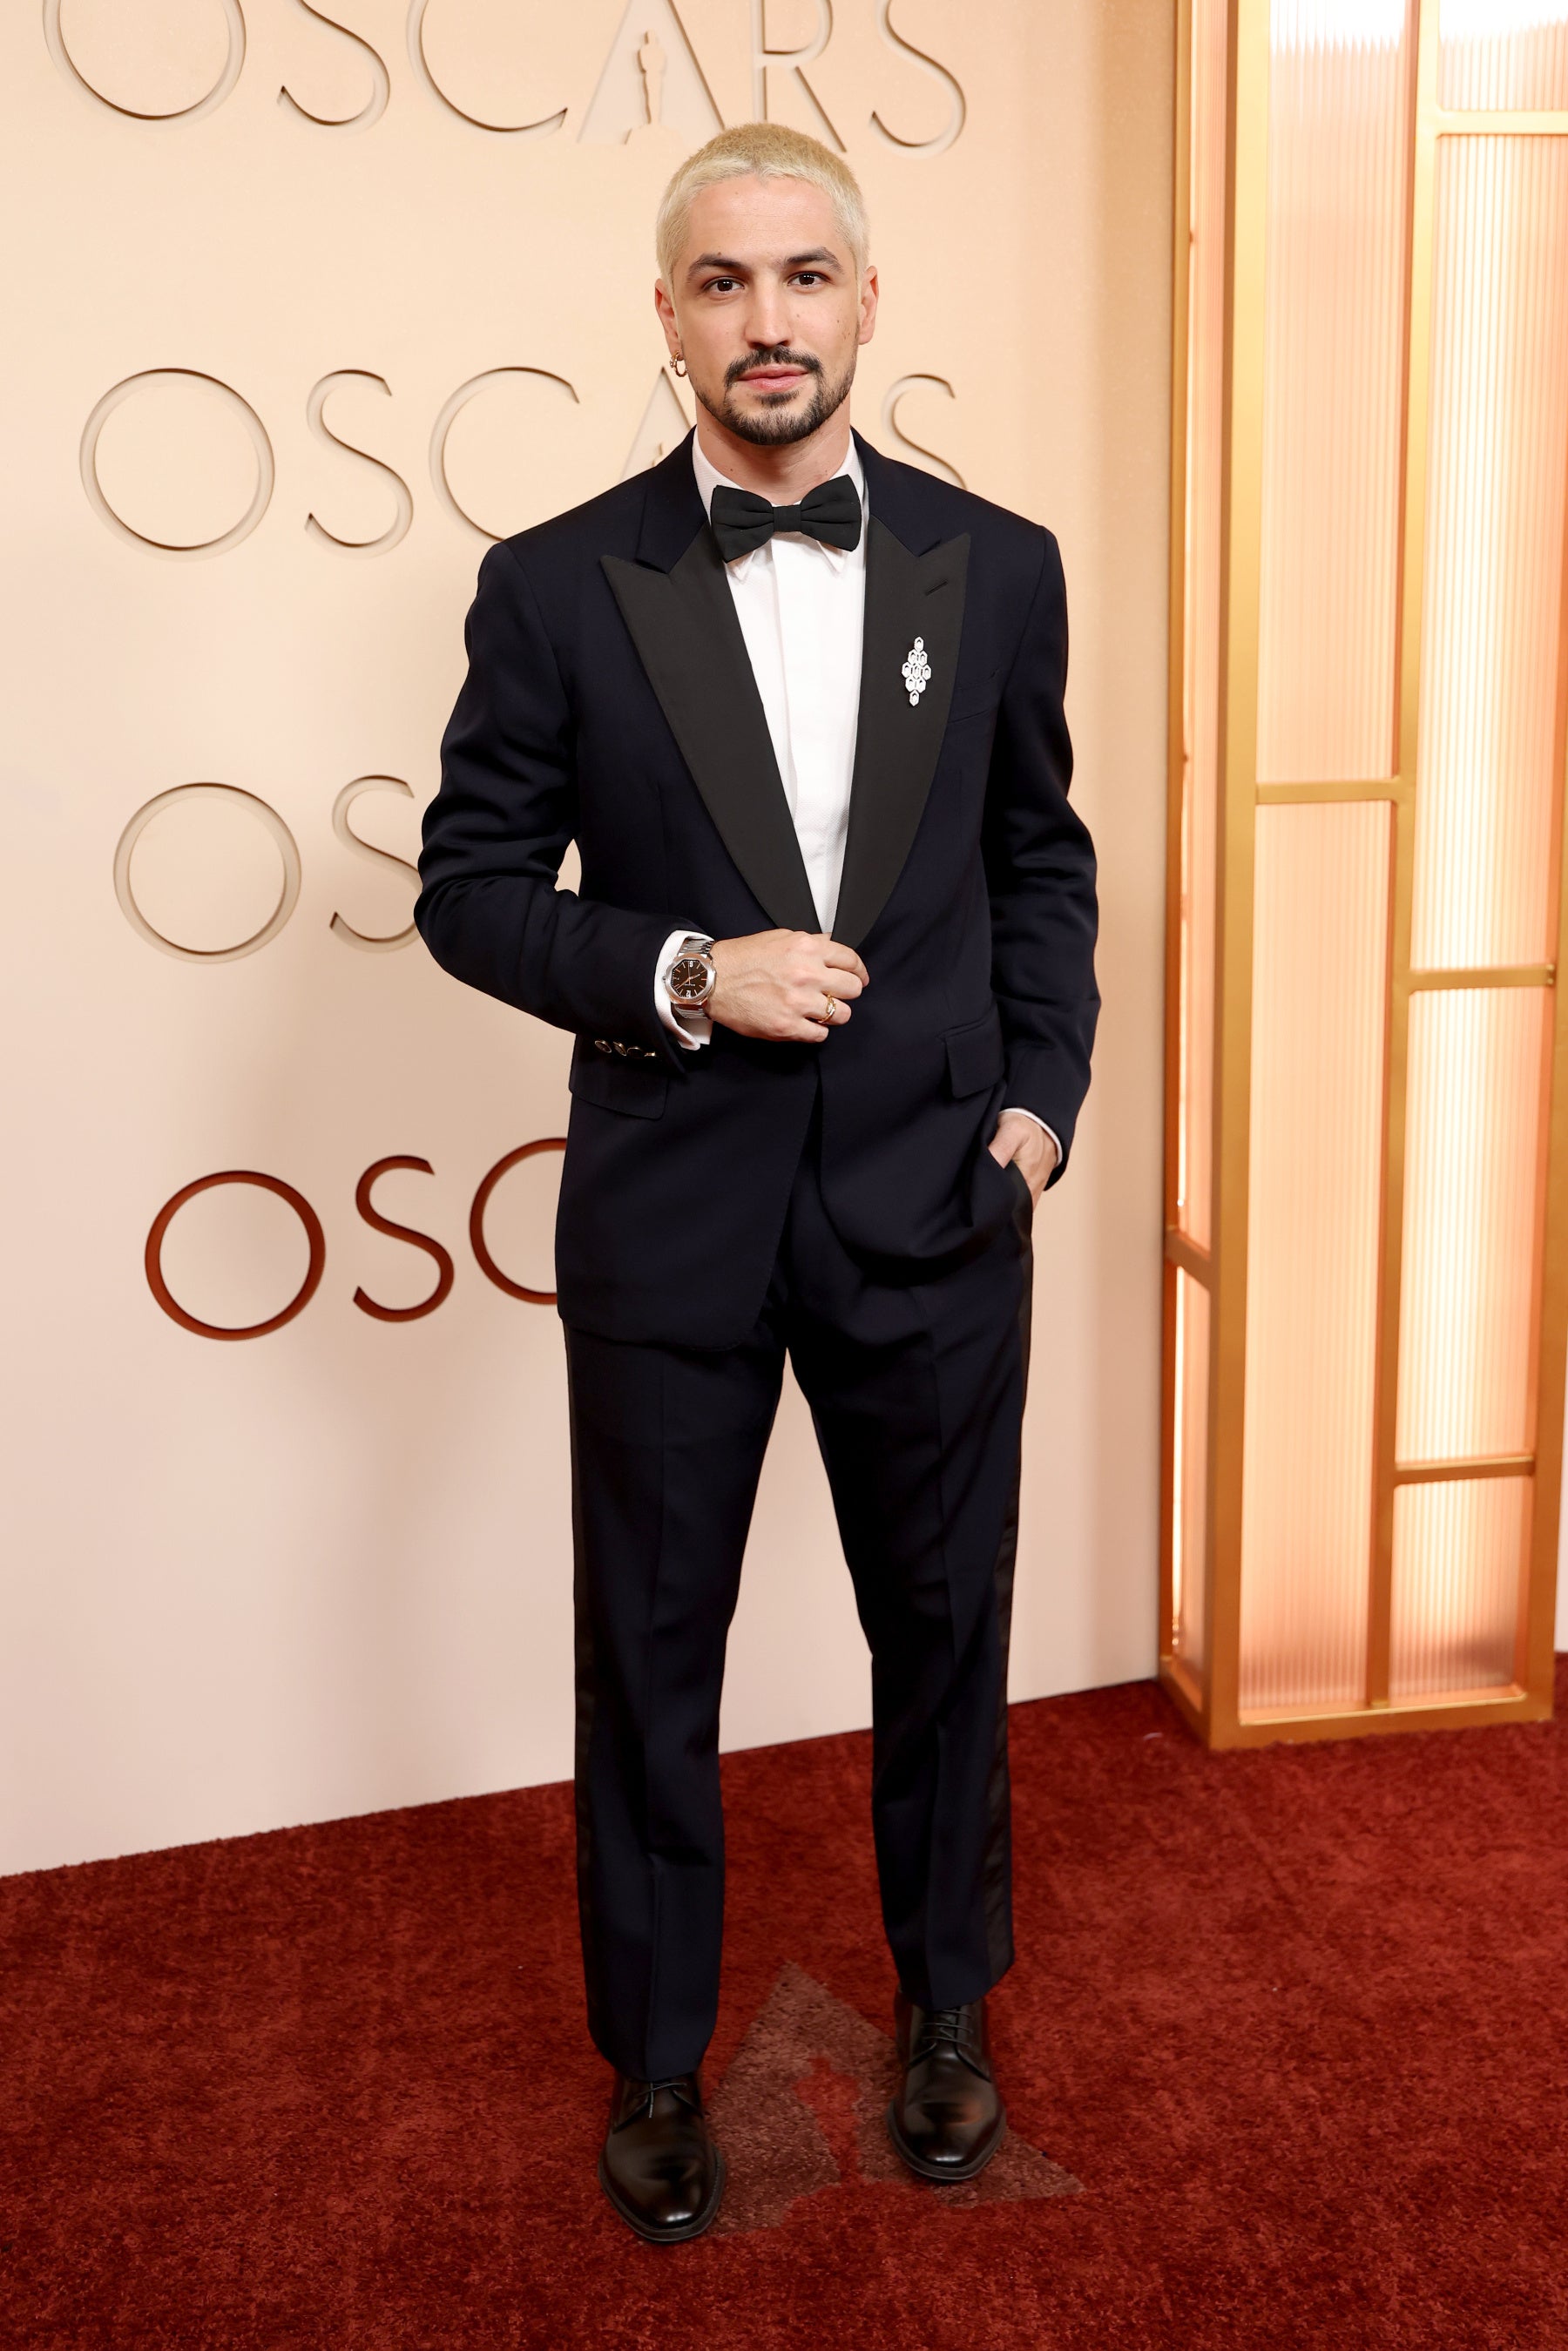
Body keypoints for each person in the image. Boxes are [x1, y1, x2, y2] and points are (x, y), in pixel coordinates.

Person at [416, 122, 1098, 2244]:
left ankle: (947, 2010)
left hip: (939, 1206)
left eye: (805, 277)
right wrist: (687, 971)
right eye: (724, 282)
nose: (768, 320)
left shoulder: (1002, 565)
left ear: (867, 300)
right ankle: (655, 2059)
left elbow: (1040, 857)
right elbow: (468, 891)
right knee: (649, 1653)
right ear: (668, 312)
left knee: (948, 1635)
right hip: (673, 1213)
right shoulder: (555, 584)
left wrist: (1043, 1099)